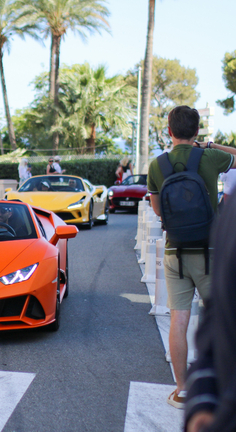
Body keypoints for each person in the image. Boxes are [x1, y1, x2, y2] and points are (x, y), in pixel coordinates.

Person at [147, 106, 236, 409]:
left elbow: (158, 210)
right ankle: (217, 386)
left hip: (176, 252)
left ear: (168, 131)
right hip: (211, 252)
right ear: (197, 131)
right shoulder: (210, 157)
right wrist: (210, 146)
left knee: (179, 320)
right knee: (217, 321)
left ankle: (182, 389)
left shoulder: (157, 165)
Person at [185, 195, 236, 432]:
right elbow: (219, 313)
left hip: (173, 247)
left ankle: (178, 388)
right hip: (201, 249)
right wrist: (202, 400)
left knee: (178, 313)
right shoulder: (231, 209)